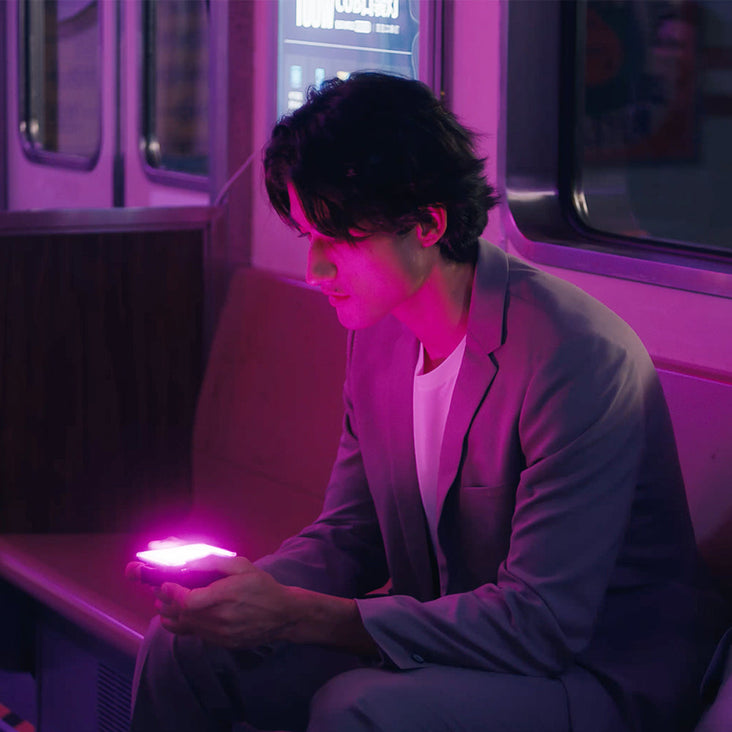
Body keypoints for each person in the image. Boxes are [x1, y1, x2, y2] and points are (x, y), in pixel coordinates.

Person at [126, 72, 725, 732]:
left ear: (429, 223)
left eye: (340, 239)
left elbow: (542, 624)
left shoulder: (574, 358)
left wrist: (298, 615)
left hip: (593, 672)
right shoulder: (379, 335)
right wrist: (246, 590)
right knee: (183, 651)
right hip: (459, 645)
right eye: (308, 238)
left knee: (356, 707)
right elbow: (352, 534)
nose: (315, 271)